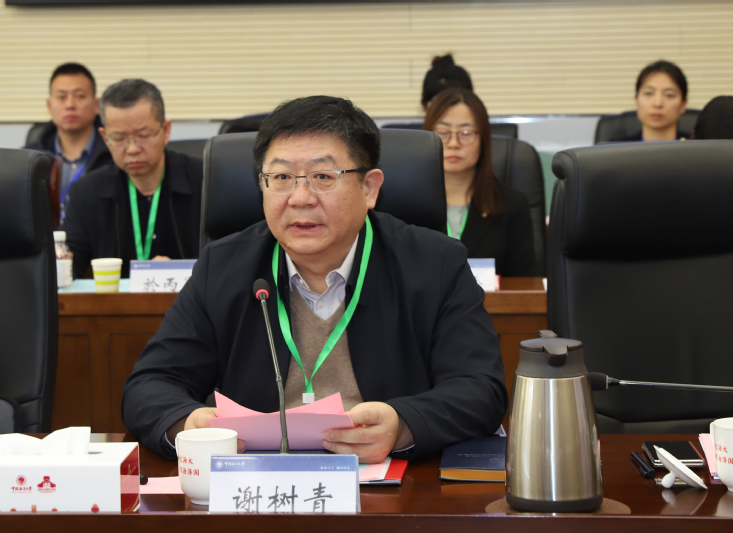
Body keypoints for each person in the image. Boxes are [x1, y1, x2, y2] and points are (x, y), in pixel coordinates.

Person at [122, 95, 507, 463]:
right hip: (258, 484)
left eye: (323, 176)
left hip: (389, 485)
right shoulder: (223, 267)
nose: (300, 197)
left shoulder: (435, 264)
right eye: (281, 177)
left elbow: (480, 389)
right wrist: (189, 423)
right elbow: (148, 386)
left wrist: (403, 424)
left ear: (369, 188)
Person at [62, 79, 202, 279]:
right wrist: (61, 261)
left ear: (166, 131)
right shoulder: (86, 193)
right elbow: (69, 266)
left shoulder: (206, 183)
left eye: (143, 135)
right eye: (119, 138)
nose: (133, 149)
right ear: (105, 137)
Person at [423, 87, 535, 277]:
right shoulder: (404, 206)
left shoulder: (512, 206)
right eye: (443, 132)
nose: (453, 143)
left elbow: (525, 285)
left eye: (466, 133)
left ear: (483, 140)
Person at [25, 63, 113, 216]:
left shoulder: (114, 156)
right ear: (49, 106)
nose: (70, 105)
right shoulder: (29, 158)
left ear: (96, 105)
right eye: (61, 97)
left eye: (80, 96)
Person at [626, 60, 689, 142]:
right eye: (648, 93)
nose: (657, 103)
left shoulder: (696, 147)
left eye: (669, 95)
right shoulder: (617, 147)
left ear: (683, 104)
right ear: (636, 99)